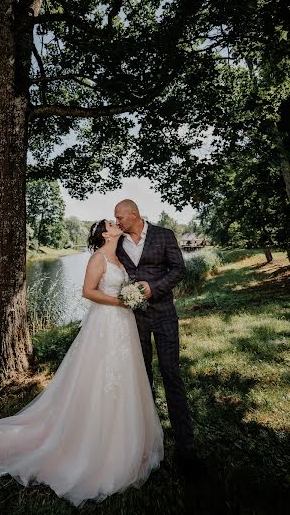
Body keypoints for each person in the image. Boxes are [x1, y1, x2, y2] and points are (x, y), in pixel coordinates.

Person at [0, 219, 164, 508]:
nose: (116, 223)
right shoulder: (98, 257)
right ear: (105, 234)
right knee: (98, 377)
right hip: (106, 323)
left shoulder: (120, 256)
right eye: (111, 223)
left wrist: (132, 295)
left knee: (125, 376)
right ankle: (90, 443)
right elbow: (88, 291)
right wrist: (121, 302)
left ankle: (126, 440)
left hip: (124, 325)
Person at [114, 199, 198, 473]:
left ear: (134, 214)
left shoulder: (164, 235)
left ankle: (187, 450)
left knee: (171, 376)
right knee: (142, 379)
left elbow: (179, 270)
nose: (117, 222)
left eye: (120, 217)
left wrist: (154, 288)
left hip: (164, 317)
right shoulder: (118, 242)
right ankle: (148, 444)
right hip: (134, 321)